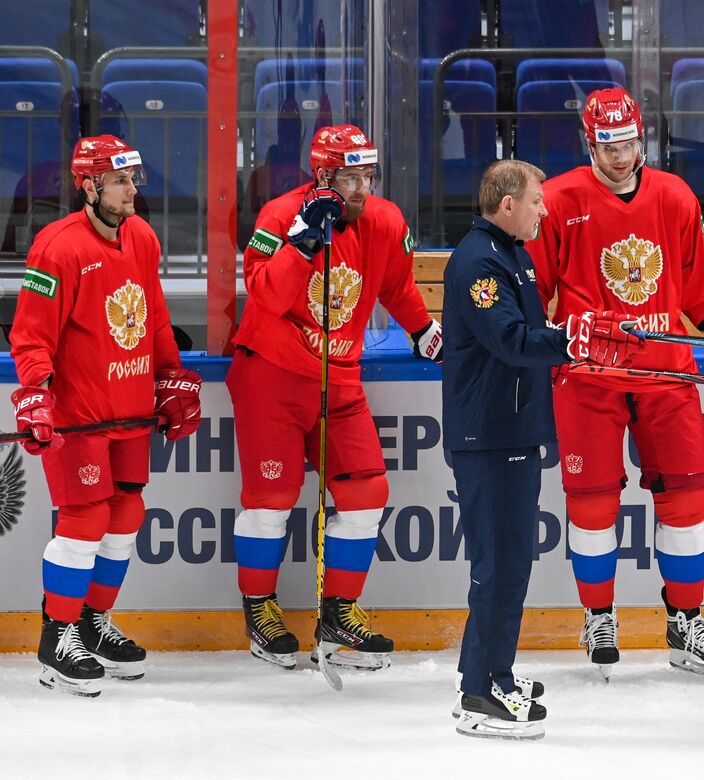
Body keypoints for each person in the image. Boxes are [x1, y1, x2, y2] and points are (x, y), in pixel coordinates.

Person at [526, 87, 704, 680]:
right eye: (610, 145)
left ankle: (684, 622)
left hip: (667, 372)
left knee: (687, 500)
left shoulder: (674, 195)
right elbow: (533, 296)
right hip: (589, 375)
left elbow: (700, 289)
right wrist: (549, 344)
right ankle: (598, 615)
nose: (622, 157)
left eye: (631, 143)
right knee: (592, 502)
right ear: (590, 142)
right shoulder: (558, 200)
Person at [229, 124, 442, 672]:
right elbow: (268, 295)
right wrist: (302, 242)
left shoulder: (385, 220)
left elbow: (395, 283)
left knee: (368, 490)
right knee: (270, 501)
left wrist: (421, 329)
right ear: (322, 176)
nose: (360, 189)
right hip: (271, 375)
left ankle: (338, 611)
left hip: (338, 376)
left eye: (366, 176)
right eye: (348, 178)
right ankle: (259, 609)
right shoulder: (279, 216)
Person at [442, 159, 643, 739]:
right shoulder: (480, 261)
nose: (544, 209)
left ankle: (491, 672)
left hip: (515, 429)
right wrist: (570, 340)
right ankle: (480, 692)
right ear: (507, 204)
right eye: (535, 201)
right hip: (489, 435)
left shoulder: (515, 257)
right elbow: (509, 340)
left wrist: (577, 334)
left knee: (511, 562)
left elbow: (536, 335)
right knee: (498, 564)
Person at [10, 134, 202, 697]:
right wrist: (35, 395)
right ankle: (58, 635)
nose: (131, 190)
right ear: (89, 186)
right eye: (120, 181)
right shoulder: (56, 247)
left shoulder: (141, 236)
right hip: (79, 417)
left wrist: (169, 378)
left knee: (125, 517)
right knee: (85, 520)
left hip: (131, 412)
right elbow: (31, 336)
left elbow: (154, 317)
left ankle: (92, 621)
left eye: (133, 179)